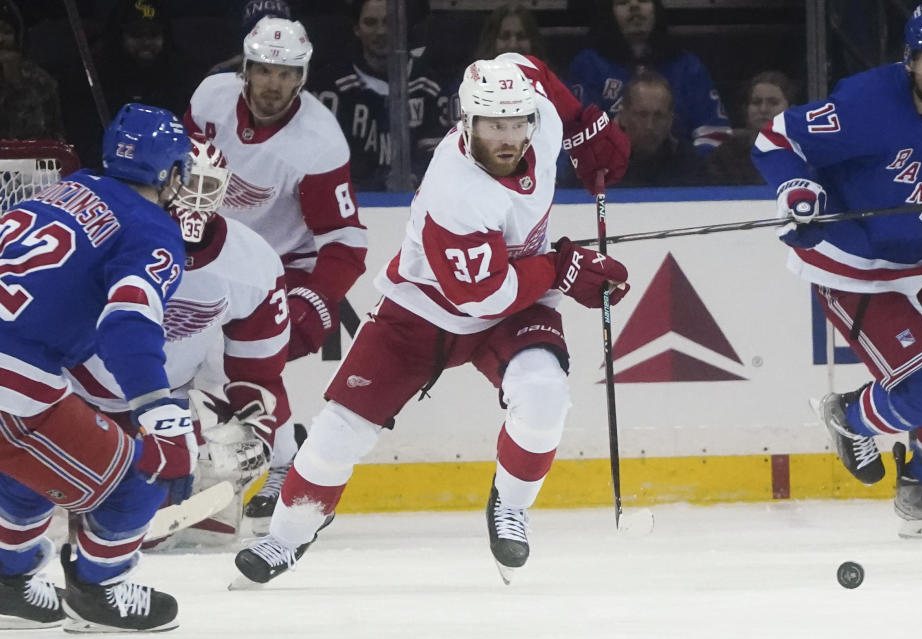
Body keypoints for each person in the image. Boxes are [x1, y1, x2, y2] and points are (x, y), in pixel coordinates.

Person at [231, 52, 631, 586]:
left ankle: (510, 507)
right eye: (493, 126)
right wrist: (563, 267)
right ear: (466, 123)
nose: (508, 138)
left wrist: (584, 124)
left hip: (516, 304)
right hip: (424, 311)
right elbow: (484, 295)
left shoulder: (541, 117)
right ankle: (286, 536)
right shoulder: (456, 191)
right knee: (336, 433)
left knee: (544, 397)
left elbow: (527, 65)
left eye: (517, 123)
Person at [752, 2, 922, 536]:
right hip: (855, 266)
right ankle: (851, 416)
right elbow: (776, 138)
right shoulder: (865, 103)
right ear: (910, 57)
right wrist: (798, 188)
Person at [0, 103, 194, 632]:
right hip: (9, 381)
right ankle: (98, 591)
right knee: (146, 469)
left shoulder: (63, 190)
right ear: (170, 173)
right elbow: (126, 323)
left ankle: (8, 580)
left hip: (16, 369)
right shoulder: (152, 229)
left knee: (38, 464)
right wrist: (157, 408)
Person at [65, 136, 292, 546]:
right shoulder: (110, 235)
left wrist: (257, 436)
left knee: (207, 531)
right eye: (188, 184)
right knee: (112, 522)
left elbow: (259, 370)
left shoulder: (252, 262)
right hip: (79, 394)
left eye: (209, 187)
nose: (195, 200)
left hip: (165, 401)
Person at [185, 16, 367, 522]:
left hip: (280, 266)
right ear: (246, 68)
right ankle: (267, 456)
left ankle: (289, 464)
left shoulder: (318, 141)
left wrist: (316, 297)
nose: (274, 85)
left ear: (303, 77)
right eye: (265, 70)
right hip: (214, 251)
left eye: (287, 74)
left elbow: (347, 241)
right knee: (190, 358)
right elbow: (177, 172)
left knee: (240, 359)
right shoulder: (210, 99)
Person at [308, 0, 446, 190]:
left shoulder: (429, 84)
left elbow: (437, 157)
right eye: (371, 22)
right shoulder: (329, 86)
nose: (381, 31)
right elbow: (319, 157)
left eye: (389, 22)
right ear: (357, 29)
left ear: (403, 25)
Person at [566, 0, 732, 155]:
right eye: (622, 2)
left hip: (679, 178)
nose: (634, 5)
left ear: (656, 9)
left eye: (644, 0)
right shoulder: (588, 65)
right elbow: (579, 135)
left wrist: (689, 167)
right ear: (609, 12)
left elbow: (715, 133)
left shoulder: (686, 66)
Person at [96, 0, 203, 119]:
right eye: (136, 34)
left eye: (154, 34)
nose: (146, 42)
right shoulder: (98, 76)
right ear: (120, 38)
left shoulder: (182, 76)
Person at [610, 70, 706, 187]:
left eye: (659, 116)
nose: (650, 125)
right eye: (642, 115)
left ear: (670, 120)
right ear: (623, 117)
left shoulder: (689, 164)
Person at [706, 70, 797, 186]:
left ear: (791, 110)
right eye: (756, 102)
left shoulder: (809, 154)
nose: (763, 109)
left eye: (773, 103)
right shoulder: (724, 157)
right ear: (746, 109)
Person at [0, 0, 63, 139]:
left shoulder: (41, 82)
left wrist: (14, 80)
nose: (1, 40)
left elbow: (49, 136)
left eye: (7, 32)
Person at [475, 4, 549, 61]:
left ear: (533, 41)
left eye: (521, 37)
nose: (513, 45)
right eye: (505, 36)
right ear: (491, 41)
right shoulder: (475, 79)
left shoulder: (548, 80)